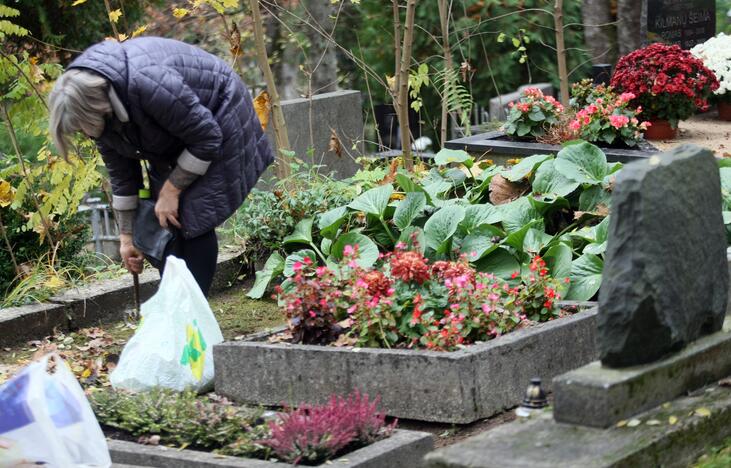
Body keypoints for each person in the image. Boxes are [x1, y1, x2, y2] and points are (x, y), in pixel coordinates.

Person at [49, 37, 273, 296]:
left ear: (95, 108)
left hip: (221, 115)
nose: (82, 133)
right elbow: (122, 176)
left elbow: (207, 137)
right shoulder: (103, 116)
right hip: (178, 137)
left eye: (81, 126)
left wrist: (171, 190)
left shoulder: (146, 82)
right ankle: (176, 305)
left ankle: (190, 311)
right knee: (164, 219)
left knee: (193, 214)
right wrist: (126, 237)